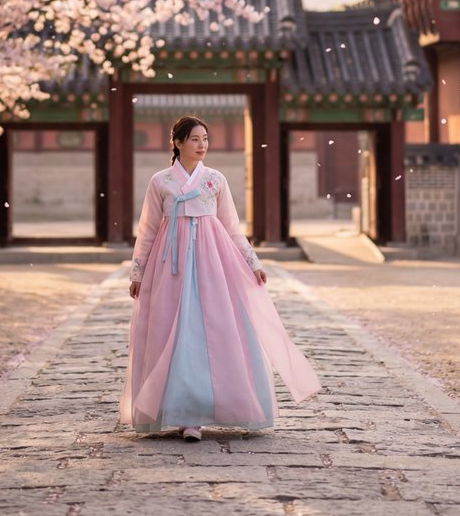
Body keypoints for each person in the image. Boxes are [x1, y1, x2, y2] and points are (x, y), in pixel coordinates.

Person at [120, 115, 321, 441]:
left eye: (205, 139)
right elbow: (147, 231)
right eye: (195, 139)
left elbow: (230, 225)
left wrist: (252, 262)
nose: (202, 145)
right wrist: (138, 271)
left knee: (213, 328)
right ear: (178, 143)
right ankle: (182, 412)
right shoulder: (160, 181)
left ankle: (208, 408)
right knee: (173, 331)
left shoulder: (215, 180)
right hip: (170, 266)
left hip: (211, 261)